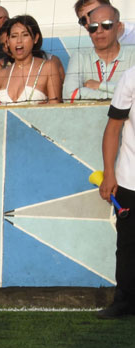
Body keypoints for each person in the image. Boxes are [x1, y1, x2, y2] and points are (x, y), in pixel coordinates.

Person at [97, 63, 135, 316]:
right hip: (131, 178)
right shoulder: (132, 76)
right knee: (129, 246)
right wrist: (109, 173)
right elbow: (114, 127)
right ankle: (124, 300)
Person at [0, 15, 63, 104]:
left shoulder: (48, 67)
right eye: (14, 36)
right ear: (8, 41)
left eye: (25, 35)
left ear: (35, 38)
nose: (19, 40)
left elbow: (56, 110)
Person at [65, 5, 129, 101]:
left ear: (118, 27)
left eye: (106, 25)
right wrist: (119, 96)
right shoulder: (80, 56)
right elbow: (70, 96)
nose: (99, 31)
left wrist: (100, 85)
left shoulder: (132, 54)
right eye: (93, 27)